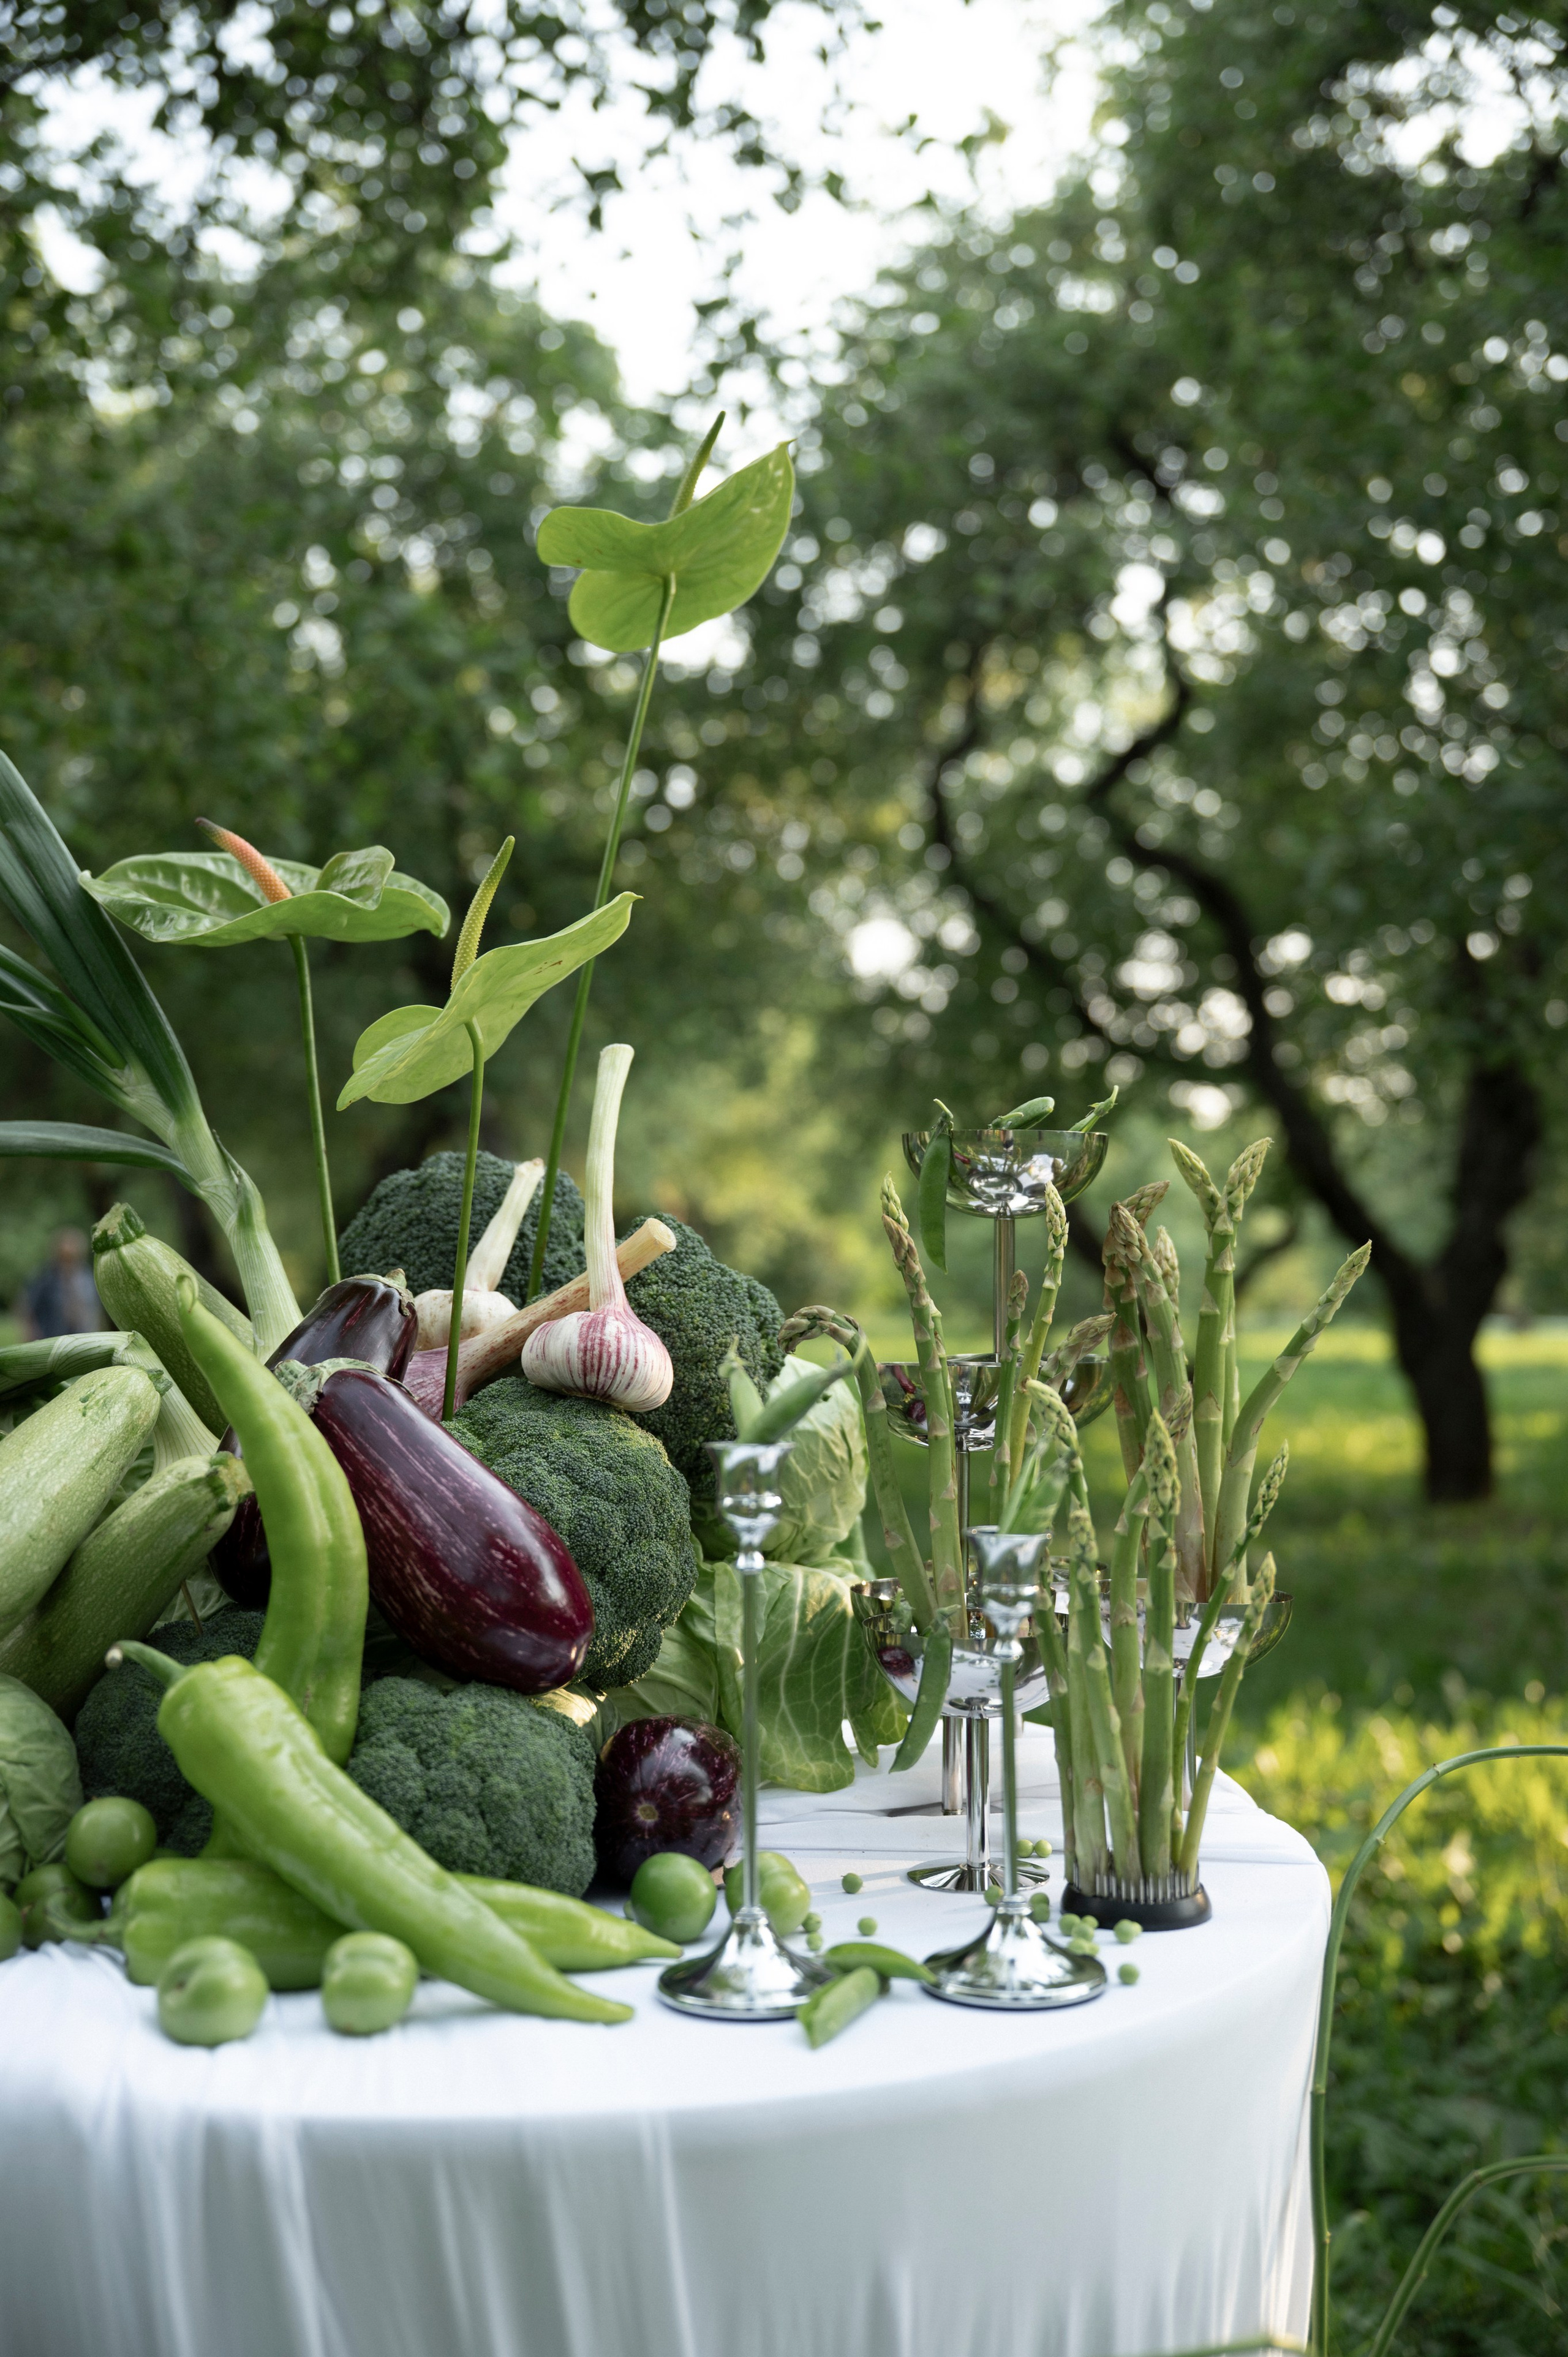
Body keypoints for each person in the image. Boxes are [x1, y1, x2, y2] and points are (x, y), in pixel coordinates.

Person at [17, 1228, 103, 1339]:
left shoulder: (88, 1277)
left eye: (72, 1258)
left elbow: (95, 1311)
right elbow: (26, 1308)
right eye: (64, 1258)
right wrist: (30, 1336)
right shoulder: (45, 1278)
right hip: (50, 1341)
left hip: (83, 1341)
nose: (68, 1264)